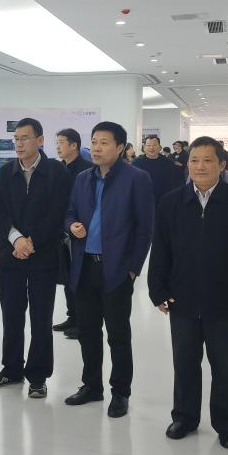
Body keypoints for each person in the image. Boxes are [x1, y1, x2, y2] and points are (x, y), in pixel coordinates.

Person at [147, 136, 228, 449]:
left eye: (207, 160)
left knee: (224, 366)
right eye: (194, 160)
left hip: (224, 299)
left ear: (222, 164)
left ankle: (227, 424)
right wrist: (158, 290)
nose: (200, 166)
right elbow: (160, 251)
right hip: (182, 298)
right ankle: (184, 417)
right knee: (185, 362)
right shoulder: (171, 203)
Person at [63, 122, 154, 418]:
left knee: (118, 335)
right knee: (88, 332)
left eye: (104, 142)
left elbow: (145, 229)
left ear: (120, 147)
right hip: (84, 267)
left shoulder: (136, 179)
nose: (97, 148)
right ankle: (92, 386)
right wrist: (71, 226)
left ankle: (120, 392)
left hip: (116, 270)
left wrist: (132, 270)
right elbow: (70, 212)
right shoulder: (82, 179)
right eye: (94, 142)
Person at [0, 118, 73, 398]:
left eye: (25, 138)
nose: (19, 144)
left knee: (41, 317)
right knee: (11, 315)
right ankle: (11, 369)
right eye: (16, 139)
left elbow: (58, 214)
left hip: (43, 256)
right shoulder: (5, 173)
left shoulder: (57, 173)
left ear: (40, 140)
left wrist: (31, 241)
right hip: (10, 256)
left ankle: (38, 375)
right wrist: (16, 239)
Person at [53, 128, 93, 338]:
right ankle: (72, 316)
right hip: (61, 230)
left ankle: (84, 322)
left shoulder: (87, 170)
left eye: (61, 142)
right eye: (57, 143)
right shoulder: (58, 169)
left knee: (80, 278)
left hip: (80, 231)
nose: (57, 147)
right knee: (67, 277)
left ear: (74, 145)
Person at [133, 135, 184, 208]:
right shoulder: (136, 163)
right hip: (142, 201)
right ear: (144, 148)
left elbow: (174, 183)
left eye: (154, 145)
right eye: (148, 145)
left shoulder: (167, 163)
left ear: (160, 148)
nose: (151, 148)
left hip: (163, 202)